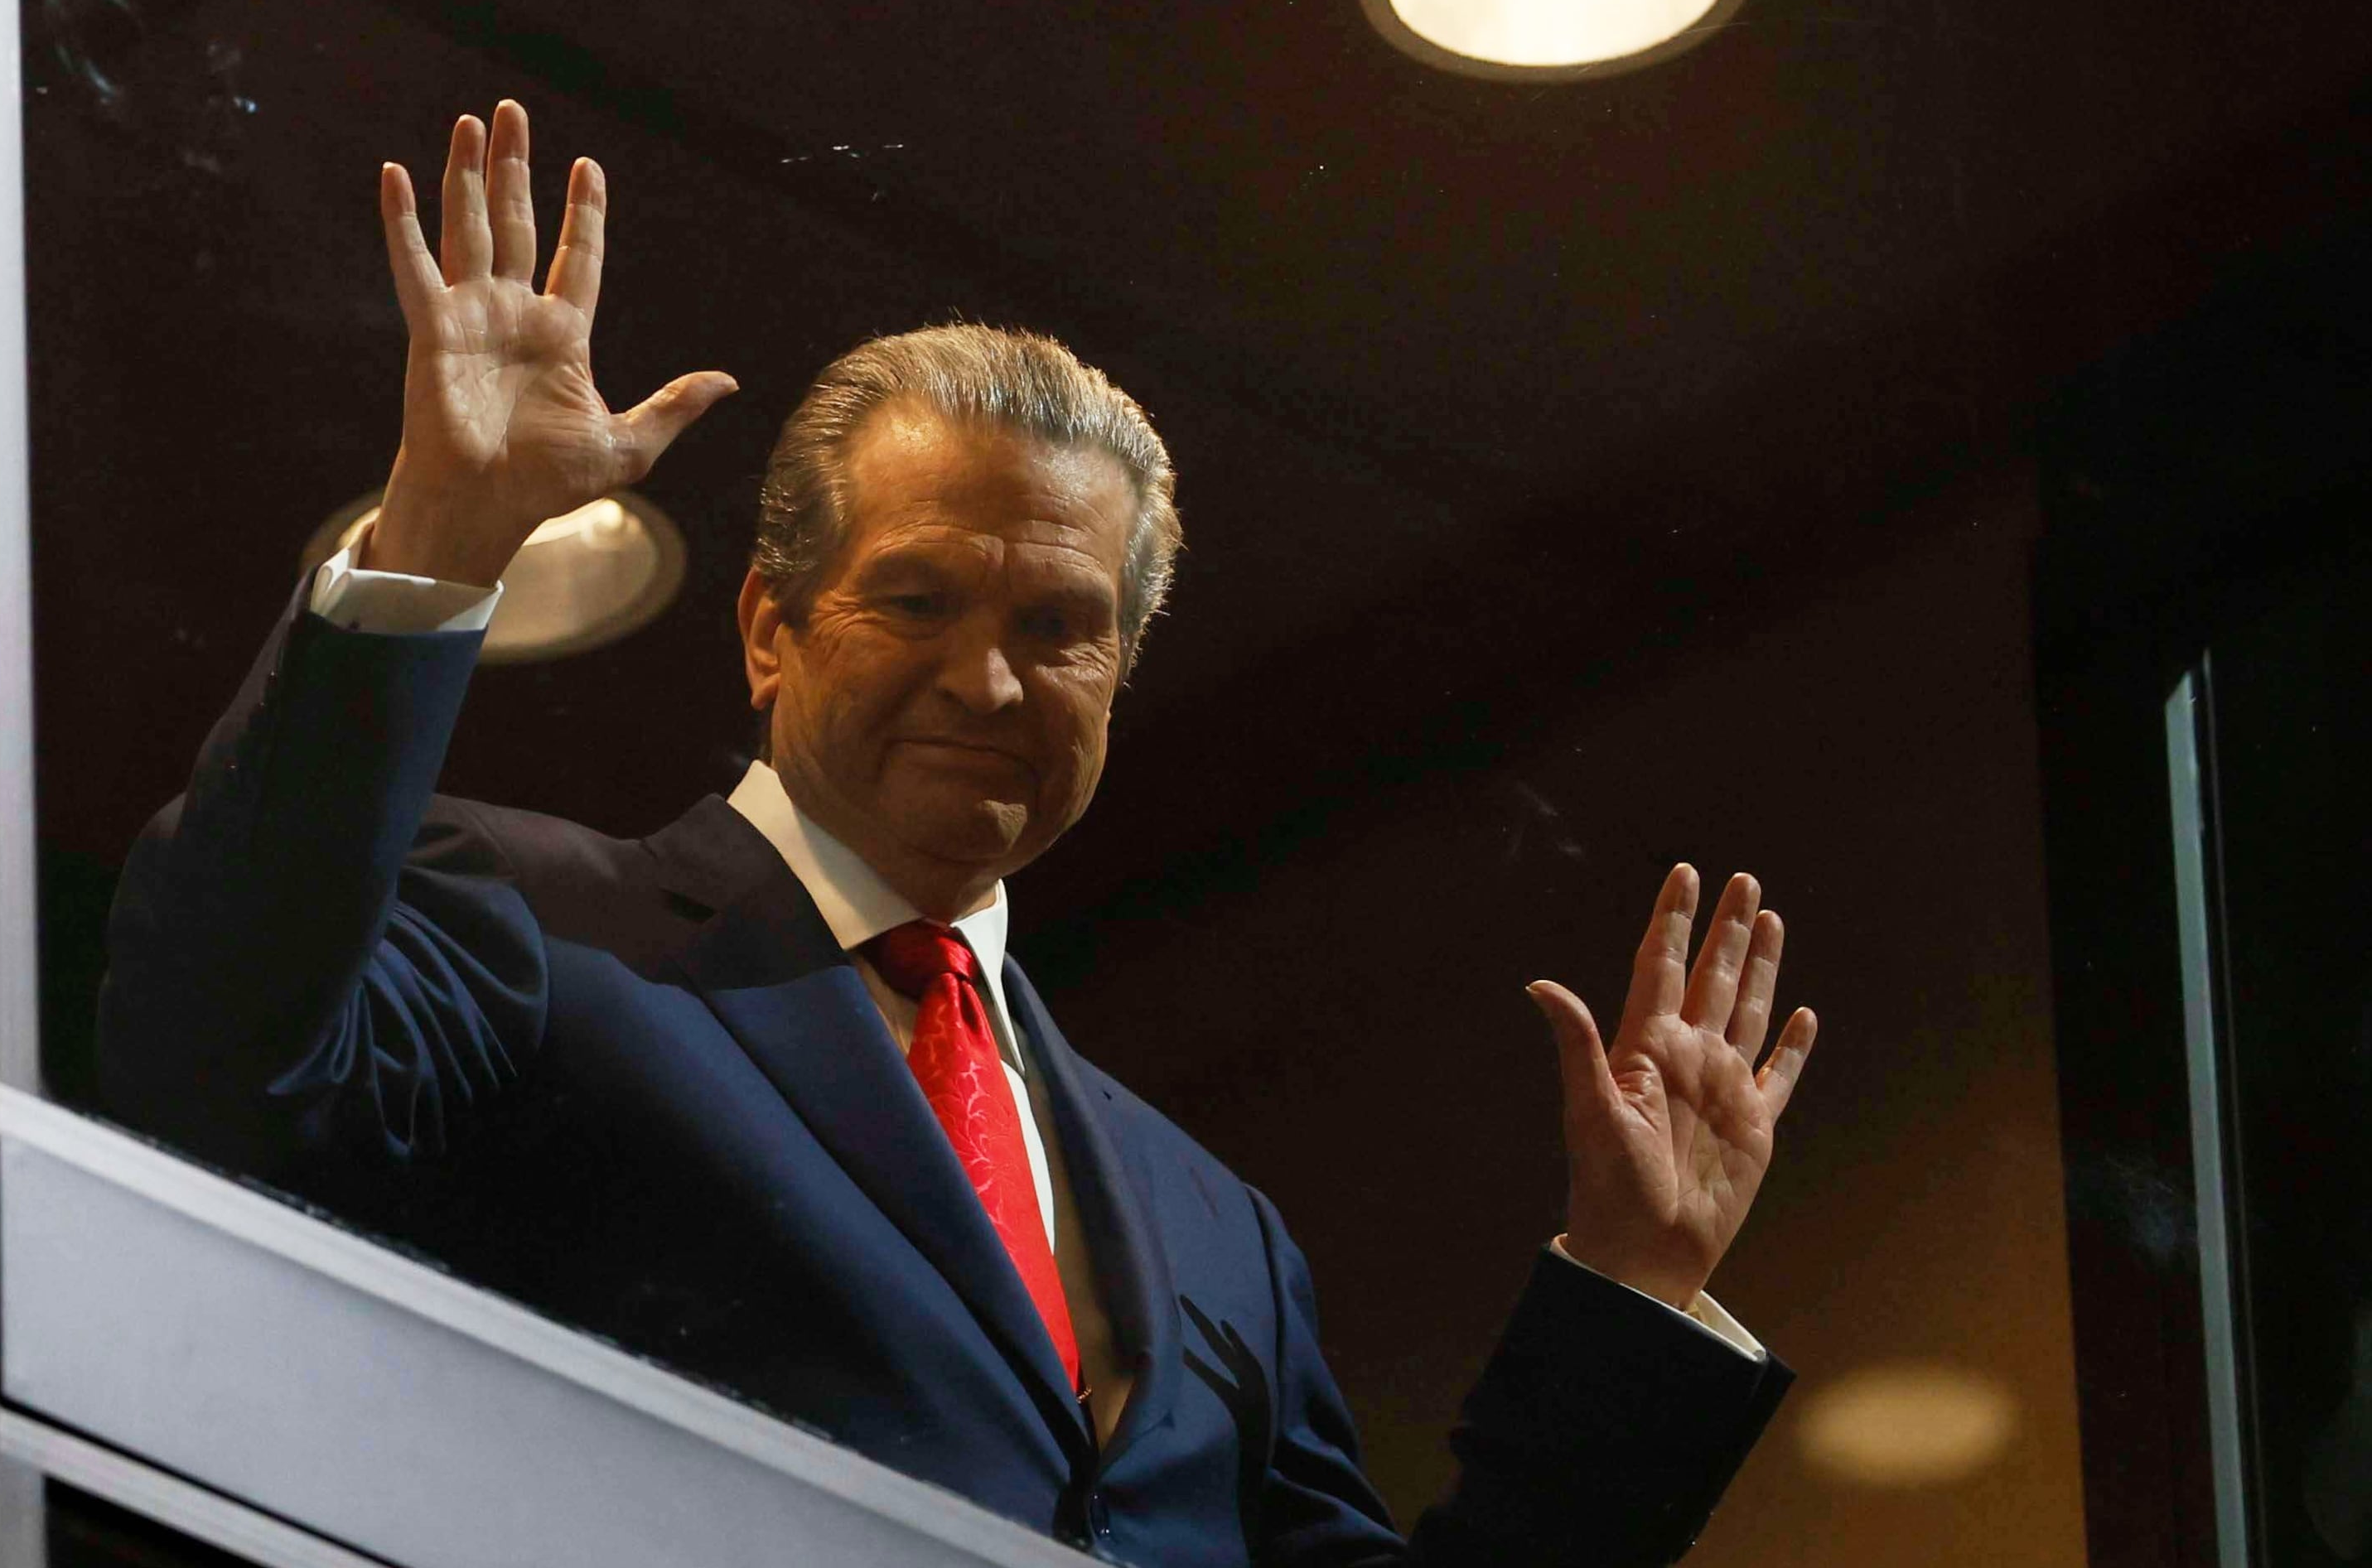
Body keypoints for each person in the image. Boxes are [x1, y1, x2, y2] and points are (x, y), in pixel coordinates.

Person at [100, 103, 1822, 1566]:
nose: (988, 680)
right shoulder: (539, 932)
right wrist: (435, 544)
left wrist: (1635, 1287)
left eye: (1061, 627)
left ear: (1123, 673)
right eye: (912, 598)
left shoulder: (1217, 1230)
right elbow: (216, 1043)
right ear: (770, 628)